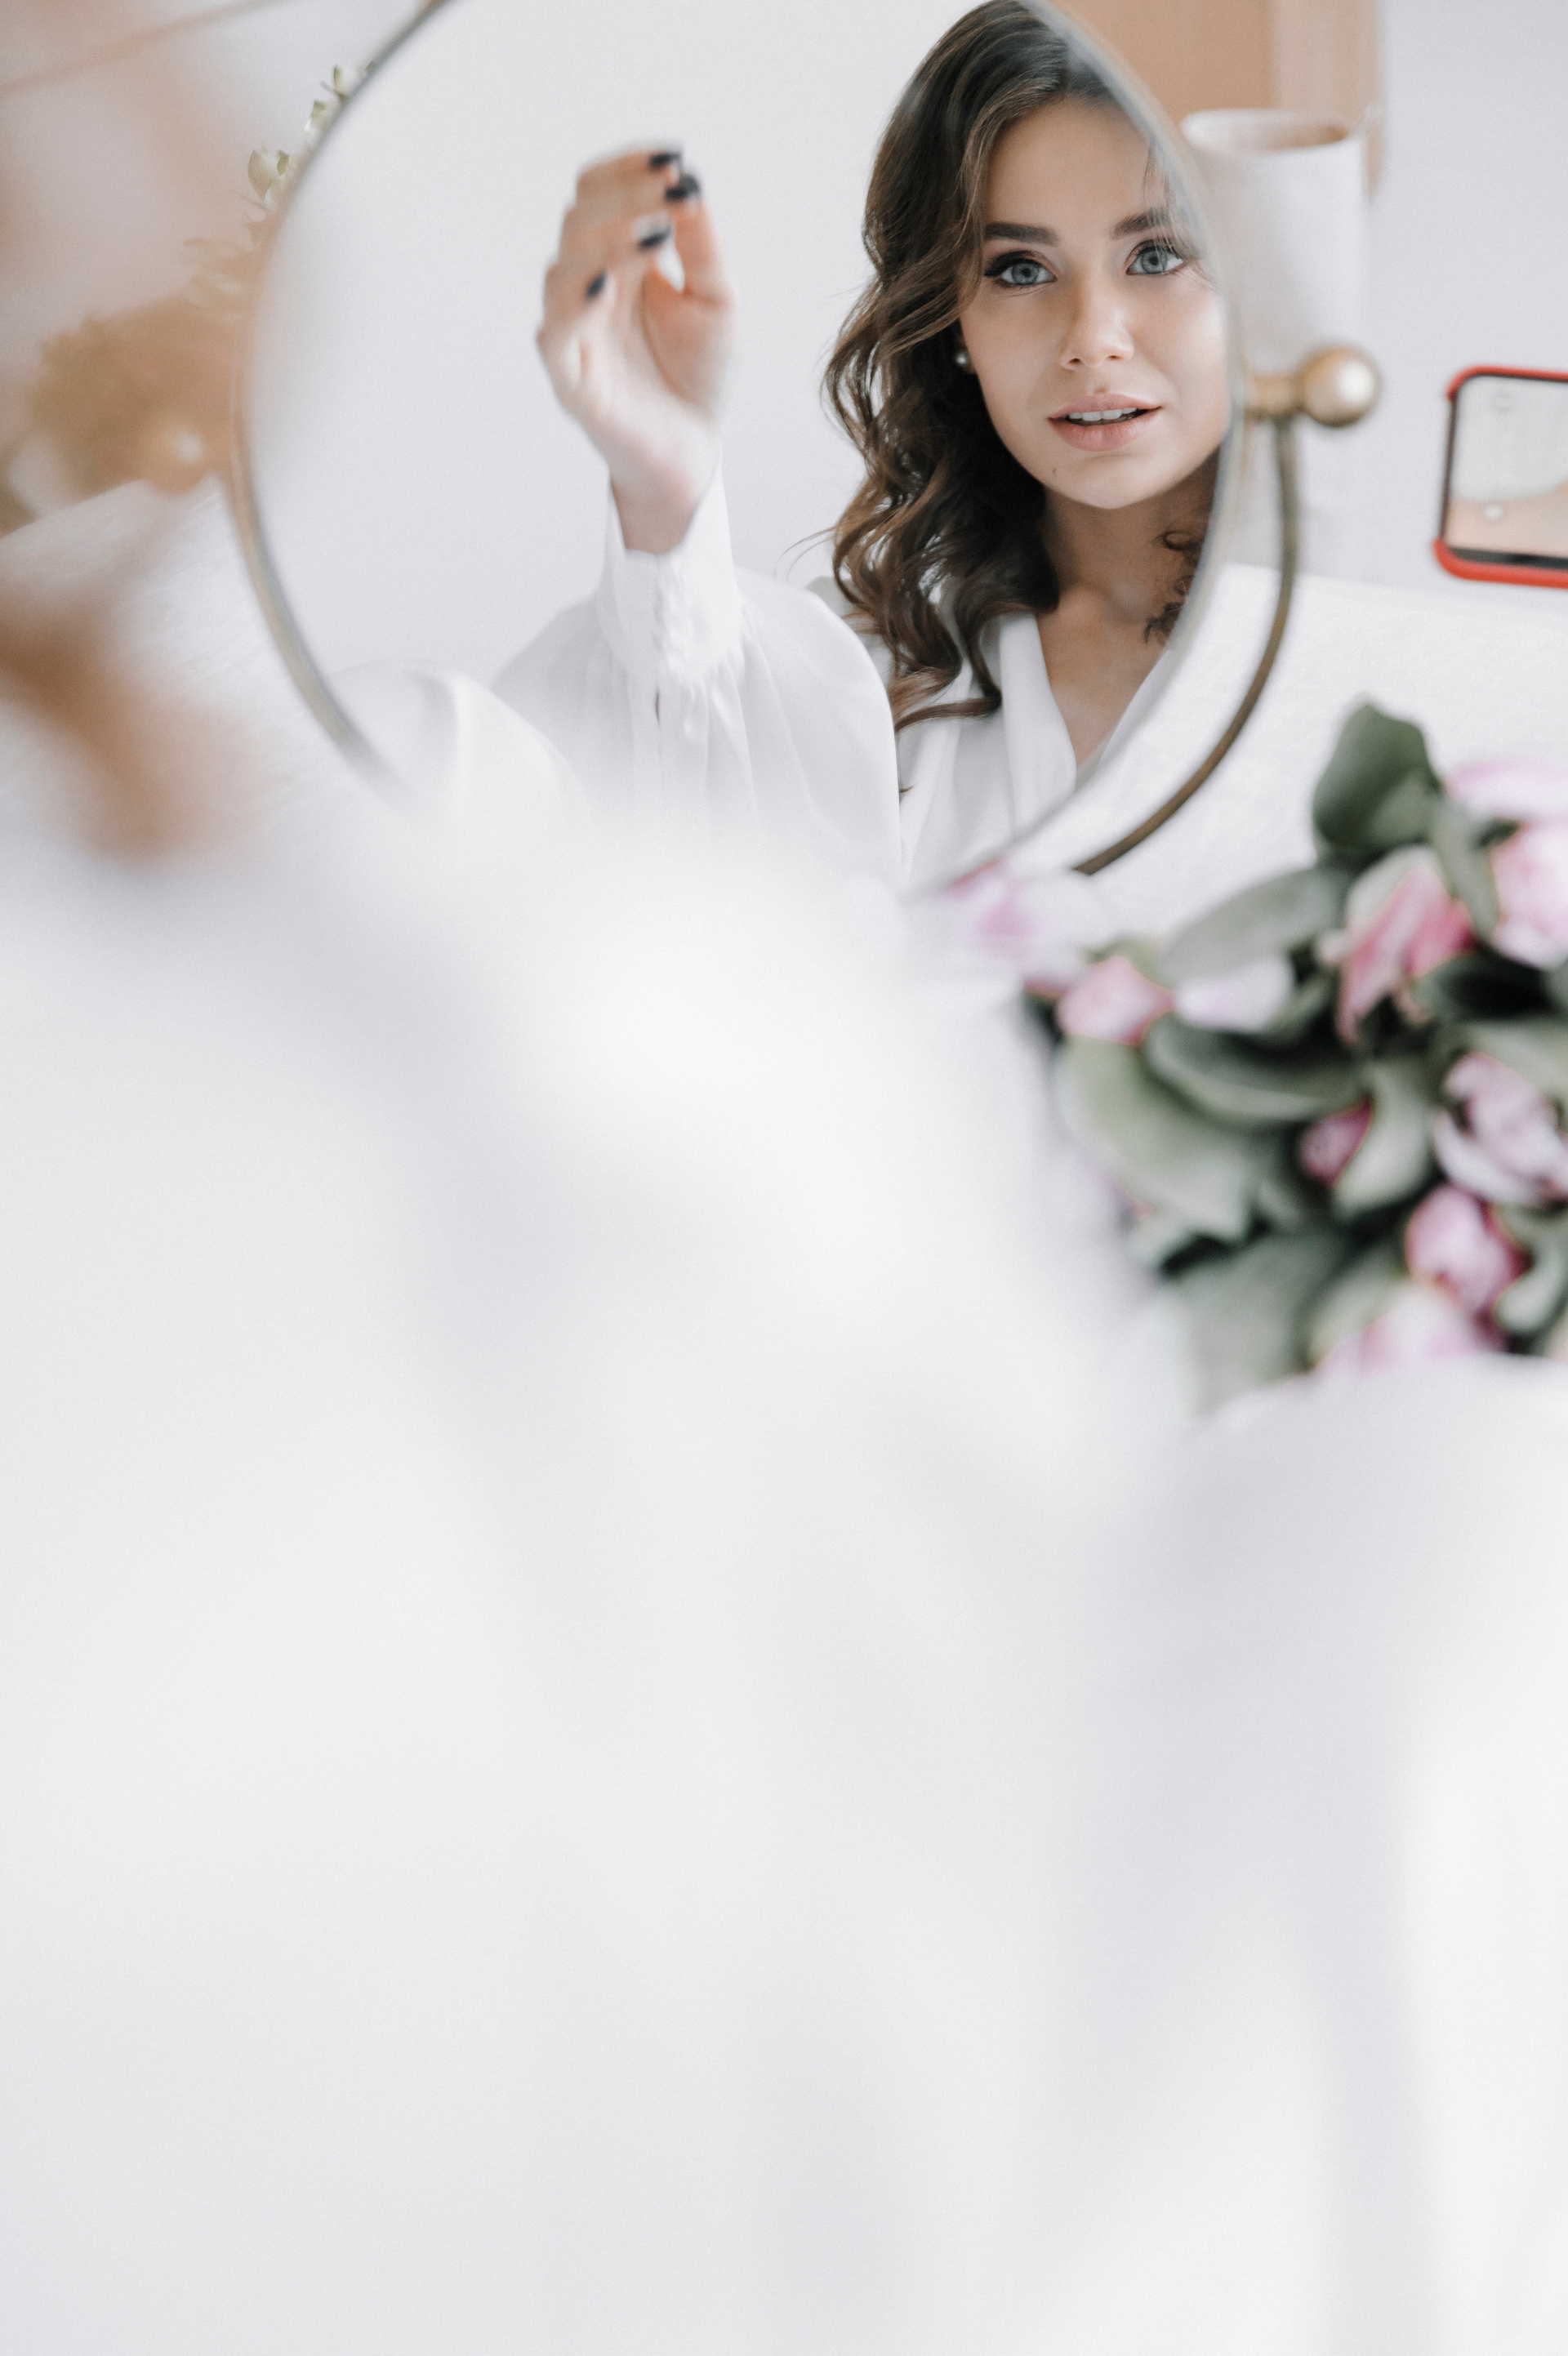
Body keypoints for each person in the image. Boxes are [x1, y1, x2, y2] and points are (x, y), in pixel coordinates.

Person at [502, 0, 1232, 887]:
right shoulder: (866, 676)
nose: (1093, 339)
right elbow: (643, 815)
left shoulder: (1347, 645)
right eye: (1019, 269)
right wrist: (663, 484)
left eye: (1155, 256)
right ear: (953, 323)